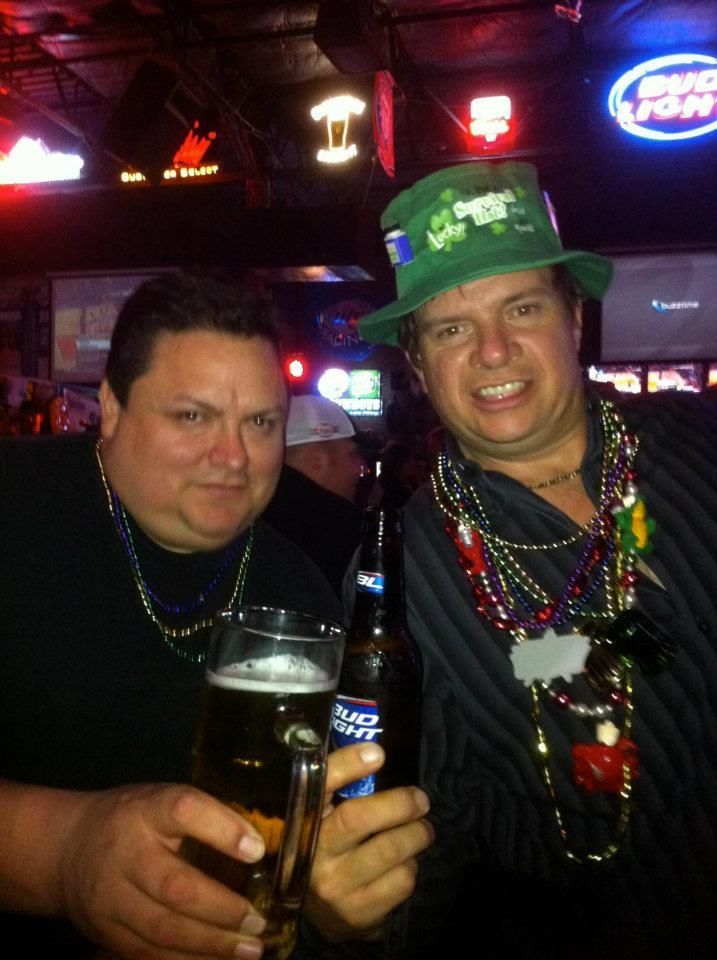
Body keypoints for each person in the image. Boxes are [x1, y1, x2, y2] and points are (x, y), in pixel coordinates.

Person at [299, 161, 717, 958]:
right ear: (419, 367)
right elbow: (422, 844)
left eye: (520, 306)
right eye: (450, 328)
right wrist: (355, 914)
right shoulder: (403, 581)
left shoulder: (698, 438)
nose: (492, 350)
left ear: (574, 320)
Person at [0, 273, 433, 959]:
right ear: (111, 408)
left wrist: (333, 899)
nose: (234, 458)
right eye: (192, 416)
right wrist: (60, 854)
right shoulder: (16, 510)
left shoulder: (300, 595)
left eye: (260, 423)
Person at [262, 394, 364, 595]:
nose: (361, 467)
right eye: (351, 454)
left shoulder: (249, 518)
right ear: (317, 458)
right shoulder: (343, 530)